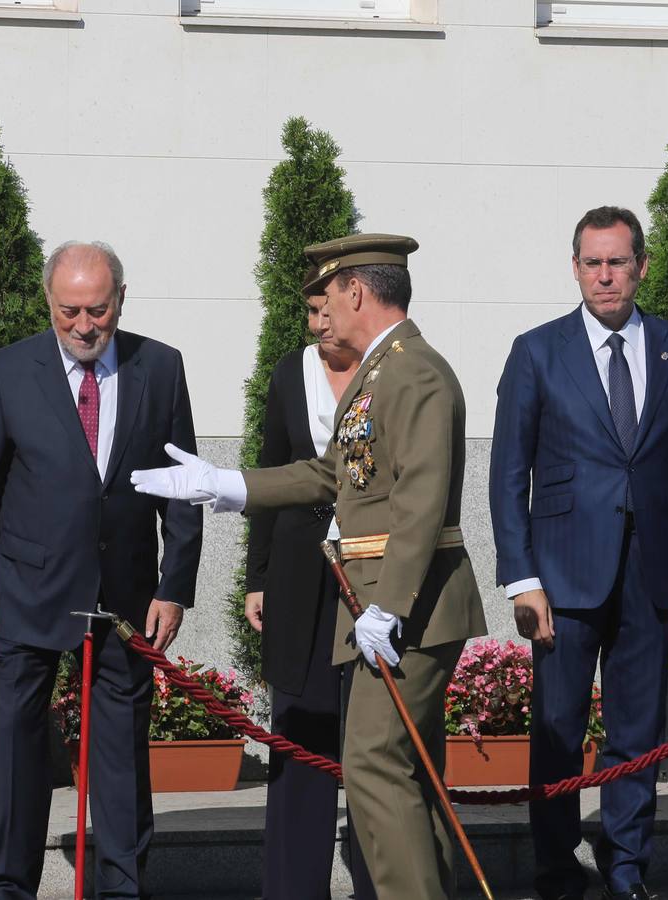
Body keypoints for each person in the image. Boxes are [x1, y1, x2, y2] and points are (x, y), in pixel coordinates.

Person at [131, 233, 487, 900]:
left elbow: (421, 495)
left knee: (376, 762)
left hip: (405, 605)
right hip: (392, 603)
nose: (324, 310)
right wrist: (229, 485)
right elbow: (333, 474)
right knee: (411, 769)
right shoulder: (385, 370)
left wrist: (390, 606)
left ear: (357, 291)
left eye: (331, 294)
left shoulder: (414, 373)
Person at [0, 240, 203, 899]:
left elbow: (183, 486)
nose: (84, 325)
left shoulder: (162, 368)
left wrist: (174, 587)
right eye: (69, 312)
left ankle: (121, 885)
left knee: (119, 756)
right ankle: (7, 885)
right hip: (27, 593)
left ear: (120, 300)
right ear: (49, 302)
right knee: (13, 754)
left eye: (98, 310)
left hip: (125, 599)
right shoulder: (9, 372)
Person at [489, 206, 668, 900]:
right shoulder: (537, 350)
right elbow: (507, 473)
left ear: (641, 265)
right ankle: (557, 871)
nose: (605, 275)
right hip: (559, 579)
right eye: (593, 263)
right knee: (556, 732)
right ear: (576, 268)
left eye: (618, 261)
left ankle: (625, 872)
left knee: (638, 732)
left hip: (651, 574)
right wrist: (521, 578)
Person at [244, 270, 374, 899]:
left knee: (374, 742)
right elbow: (270, 474)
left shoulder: (392, 370)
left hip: (373, 575)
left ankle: (382, 882)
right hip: (299, 575)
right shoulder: (287, 374)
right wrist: (258, 577)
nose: (322, 324)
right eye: (312, 313)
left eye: (330, 310)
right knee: (299, 732)